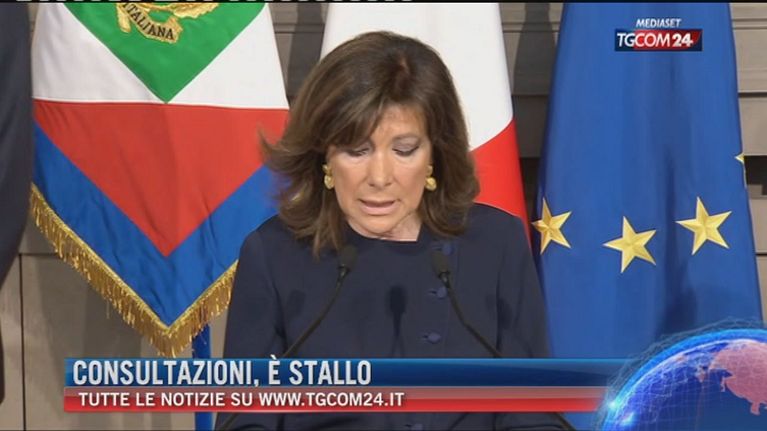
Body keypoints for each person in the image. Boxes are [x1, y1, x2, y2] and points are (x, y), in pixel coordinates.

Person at [216, 31, 570, 431]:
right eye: (357, 150)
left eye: (404, 150)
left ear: (435, 154)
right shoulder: (273, 254)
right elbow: (244, 421)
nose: (380, 177)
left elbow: (534, 415)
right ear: (324, 155)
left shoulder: (495, 243)